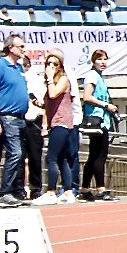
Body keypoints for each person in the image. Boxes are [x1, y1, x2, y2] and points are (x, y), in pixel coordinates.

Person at [0, 35, 33, 207]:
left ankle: (17, 191)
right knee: (15, 153)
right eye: (21, 46)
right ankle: (4, 192)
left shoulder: (18, 67)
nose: (24, 49)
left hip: (20, 118)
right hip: (7, 117)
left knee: (21, 156)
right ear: (11, 48)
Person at [39, 53, 79, 204]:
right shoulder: (51, 82)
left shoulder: (63, 79)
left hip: (62, 123)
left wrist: (49, 78)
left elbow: (54, 93)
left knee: (52, 157)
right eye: (49, 64)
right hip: (54, 123)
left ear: (60, 67)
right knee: (61, 159)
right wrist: (44, 125)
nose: (51, 67)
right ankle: (68, 191)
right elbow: (47, 105)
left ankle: (51, 191)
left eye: (55, 64)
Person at [78, 48, 117, 201]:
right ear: (93, 61)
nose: (103, 62)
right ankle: (101, 188)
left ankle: (85, 187)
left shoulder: (100, 77)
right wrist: (106, 105)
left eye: (105, 59)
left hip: (103, 120)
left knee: (94, 155)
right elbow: (87, 97)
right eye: (99, 59)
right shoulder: (92, 76)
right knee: (100, 155)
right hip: (96, 120)